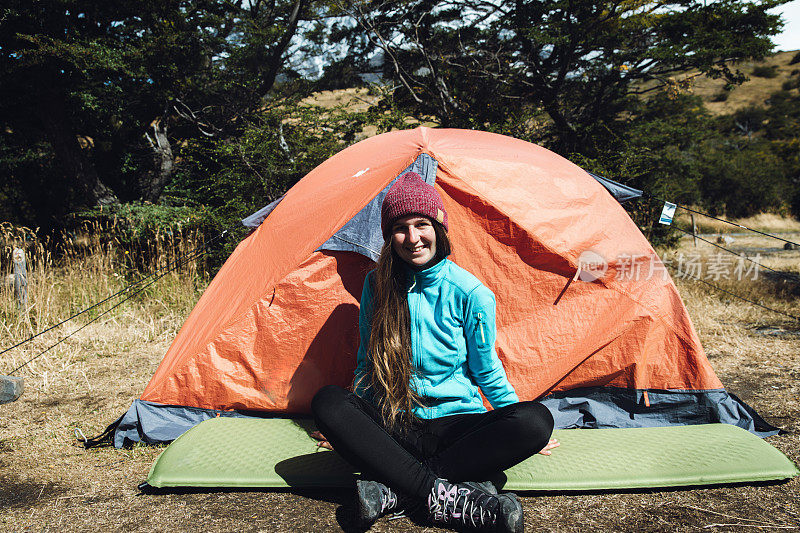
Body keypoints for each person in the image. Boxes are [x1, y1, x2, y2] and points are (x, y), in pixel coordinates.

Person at [311, 172, 558, 532]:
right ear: (388, 236)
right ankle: (450, 496)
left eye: (421, 224)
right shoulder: (377, 285)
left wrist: (517, 426)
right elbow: (367, 362)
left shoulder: (471, 292)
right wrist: (354, 426)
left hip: (457, 426)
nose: (412, 238)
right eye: (400, 228)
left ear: (439, 228)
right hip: (395, 421)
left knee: (535, 420)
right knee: (329, 403)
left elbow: (487, 370)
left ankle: (396, 488)